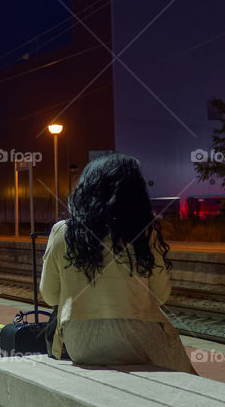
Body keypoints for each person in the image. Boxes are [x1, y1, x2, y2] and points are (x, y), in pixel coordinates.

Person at [38, 153, 195, 373]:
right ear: (135, 194)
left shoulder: (62, 231)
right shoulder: (143, 234)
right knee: (184, 373)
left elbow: (50, 296)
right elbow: (161, 296)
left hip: (81, 343)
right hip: (139, 340)